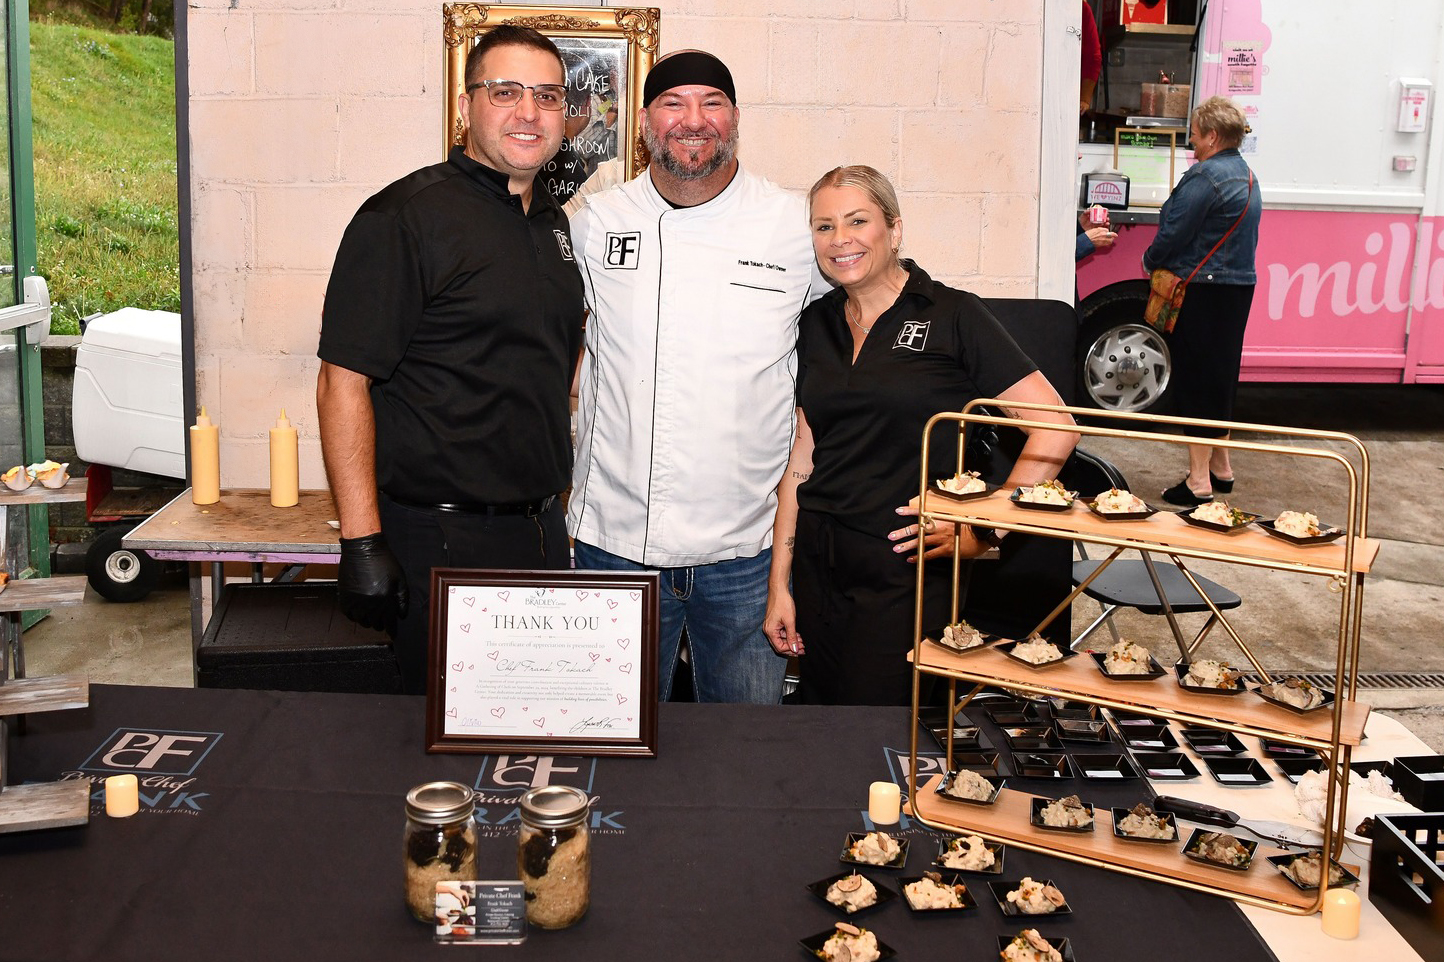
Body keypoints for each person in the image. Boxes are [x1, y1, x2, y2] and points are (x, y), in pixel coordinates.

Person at [316, 25, 585, 695]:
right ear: (466, 107)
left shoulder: (551, 221)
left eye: (547, 96)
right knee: (443, 749)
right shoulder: (404, 216)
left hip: (541, 530)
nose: (529, 111)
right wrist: (361, 542)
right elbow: (339, 382)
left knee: (535, 732)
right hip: (439, 537)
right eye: (506, 91)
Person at [763, 166, 1078, 706]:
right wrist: (779, 585)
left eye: (857, 221)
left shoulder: (953, 314)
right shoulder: (815, 323)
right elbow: (804, 456)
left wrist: (983, 529)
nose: (841, 239)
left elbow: (1055, 426)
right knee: (817, 725)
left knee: (881, 736)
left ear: (894, 228)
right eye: (824, 226)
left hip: (904, 567)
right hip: (820, 564)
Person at [566, 50, 826, 704]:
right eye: (673, 103)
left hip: (749, 551)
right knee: (607, 744)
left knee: (745, 754)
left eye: (712, 102)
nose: (694, 119)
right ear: (647, 121)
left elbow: (859, 339)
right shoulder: (597, 222)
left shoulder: (793, 226)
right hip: (613, 543)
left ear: (735, 117)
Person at [1144, 96, 1261, 506]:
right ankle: (1221, 468)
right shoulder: (1246, 175)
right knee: (1221, 378)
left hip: (1204, 291)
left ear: (1212, 136)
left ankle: (1198, 482)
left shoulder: (1206, 177)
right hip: (1237, 289)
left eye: (1195, 133)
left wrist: (1151, 259)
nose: (1191, 140)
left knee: (1196, 381)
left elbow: (1174, 231)